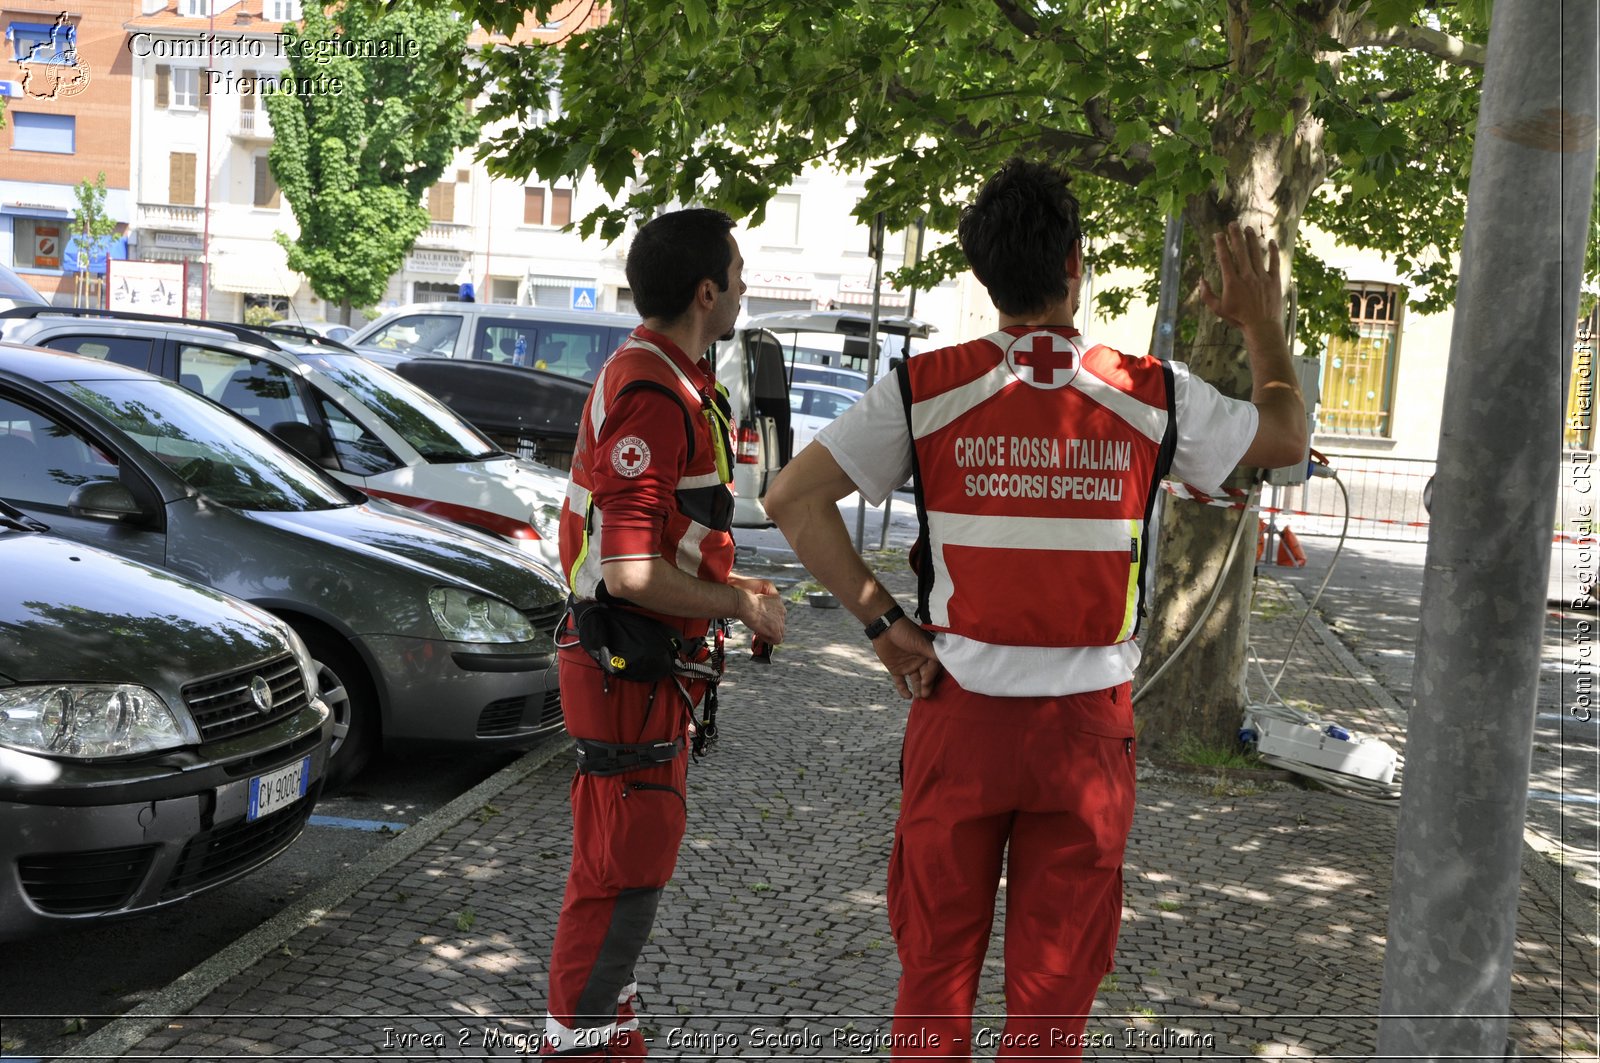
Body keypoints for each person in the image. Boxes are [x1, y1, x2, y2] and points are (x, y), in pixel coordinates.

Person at [764, 159, 1306, 1060]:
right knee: (1054, 1008)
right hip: (1087, 732)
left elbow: (790, 499)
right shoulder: (1150, 392)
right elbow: (1285, 438)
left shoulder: (923, 386)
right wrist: (1261, 323)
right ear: (1076, 265)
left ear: (985, 277)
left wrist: (882, 624)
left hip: (957, 716)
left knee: (933, 981)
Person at [543, 207, 787, 1059]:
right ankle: (581, 1043)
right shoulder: (653, 392)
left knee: (623, 868)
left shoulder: (668, 377)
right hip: (626, 665)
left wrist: (731, 588)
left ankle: (610, 1036)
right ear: (707, 291)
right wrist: (745, 606)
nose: (747, 285)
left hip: (640, 667)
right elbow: (630, 571)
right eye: (740, 271)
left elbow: (660, 549)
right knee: (623, 872)